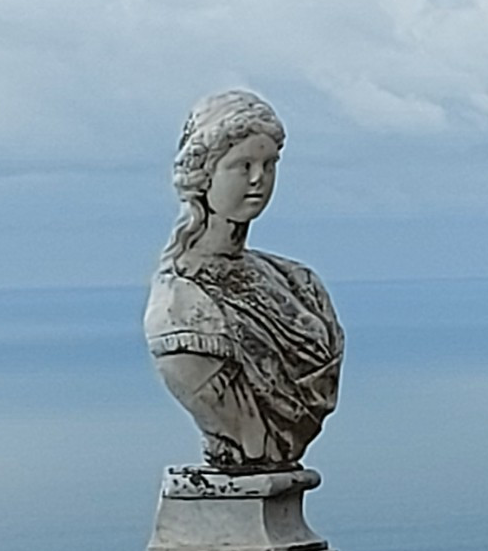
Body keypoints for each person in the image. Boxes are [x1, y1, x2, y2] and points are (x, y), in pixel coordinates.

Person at [144, 91, 343, 470]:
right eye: (242, 165)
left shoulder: (300, 283)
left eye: (270, 164)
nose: (259, 179)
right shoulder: (180, 303)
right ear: (204, 174)